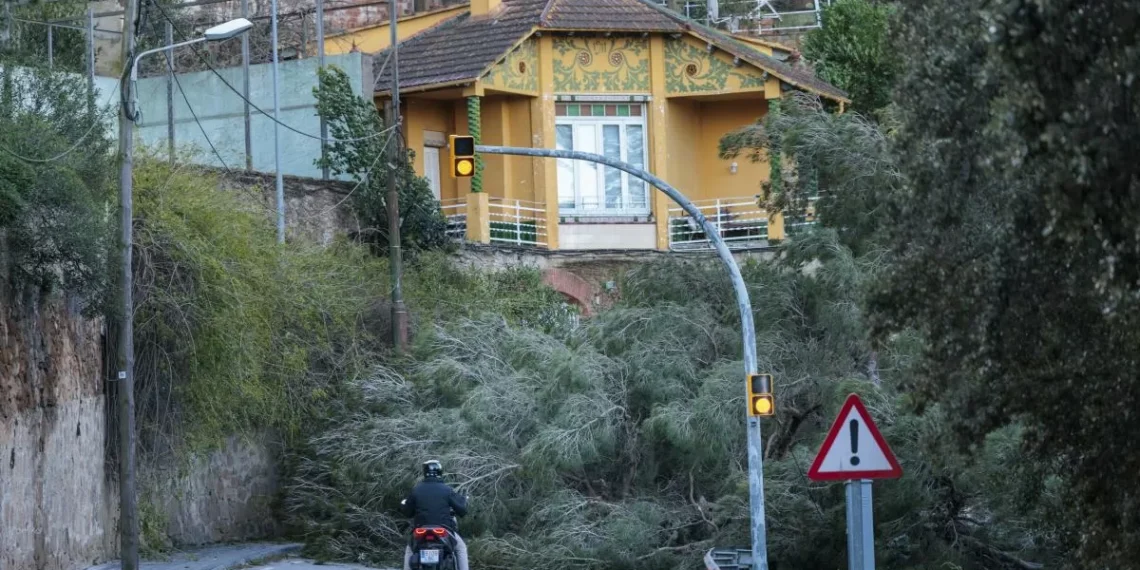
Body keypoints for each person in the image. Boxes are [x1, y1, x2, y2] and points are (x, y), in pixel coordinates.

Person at [401, 460, 469, 570]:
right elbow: (462, 510)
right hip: (443, 529)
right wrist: (463, 502)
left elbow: (407, 512)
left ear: (425, 472)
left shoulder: (416, 490)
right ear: (440, 472)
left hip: (420, 530)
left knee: (410, 549)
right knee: (461, 548)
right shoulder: (447, 490)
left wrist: (404, 504)